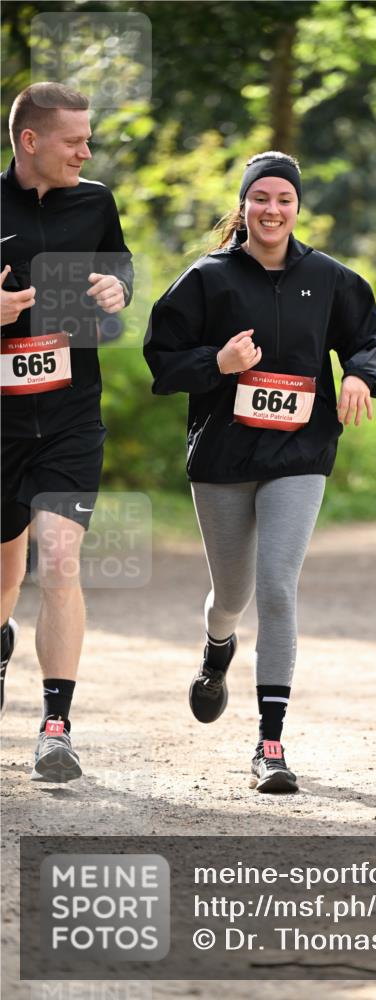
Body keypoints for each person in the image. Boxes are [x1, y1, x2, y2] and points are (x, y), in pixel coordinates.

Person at [144, 151, 376, 793]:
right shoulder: (207, 278)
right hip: (225, 456)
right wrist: (217, 362)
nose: (272, 209)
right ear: (244, 205)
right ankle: (216, 647)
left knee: (277, 586)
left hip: (301, 454)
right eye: (261, 198)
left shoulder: (331, 279)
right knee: (233, 595)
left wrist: (362, 374)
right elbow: (163, 363)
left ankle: (270, 743)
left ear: (297, 206)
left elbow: (369, 337)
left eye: (284, 198)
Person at [1, 83, 133, 780]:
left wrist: (118, 289)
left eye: (89, 139)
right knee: (4, 573)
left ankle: (56, 726)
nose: (87, 150)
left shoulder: (96, 201)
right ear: (30, 141)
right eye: (74, 140)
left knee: (57, 557)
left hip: (71, 413)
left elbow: (119, 269)